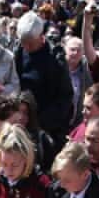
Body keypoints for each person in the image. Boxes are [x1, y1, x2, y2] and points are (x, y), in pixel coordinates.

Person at [14, 11, 71, 139]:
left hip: (45, 125)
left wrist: (40, 122)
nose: (26, 46)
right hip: (20, 119)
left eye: (30, 43)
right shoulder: (18, 52)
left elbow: (65, 97)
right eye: (23, 42)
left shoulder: (55, 59)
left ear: (41, 36)